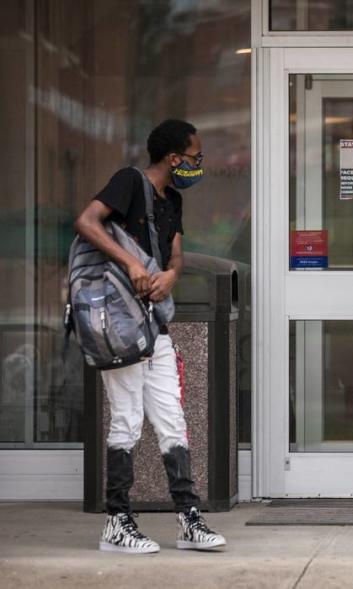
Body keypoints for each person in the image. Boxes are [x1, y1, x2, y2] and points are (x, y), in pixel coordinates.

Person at [74, 119, 226, 553]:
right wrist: (133, 264)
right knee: (125, 419)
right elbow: (86, 221)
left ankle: (188, 519)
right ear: (174, 158)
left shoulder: (172, 199)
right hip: (118, 324)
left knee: (172, 419)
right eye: (195, 158)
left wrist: (170, 275)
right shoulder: (129, 182)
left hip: (153, 323)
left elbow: (174, 251)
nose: (198, 165)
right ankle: (117, 523)